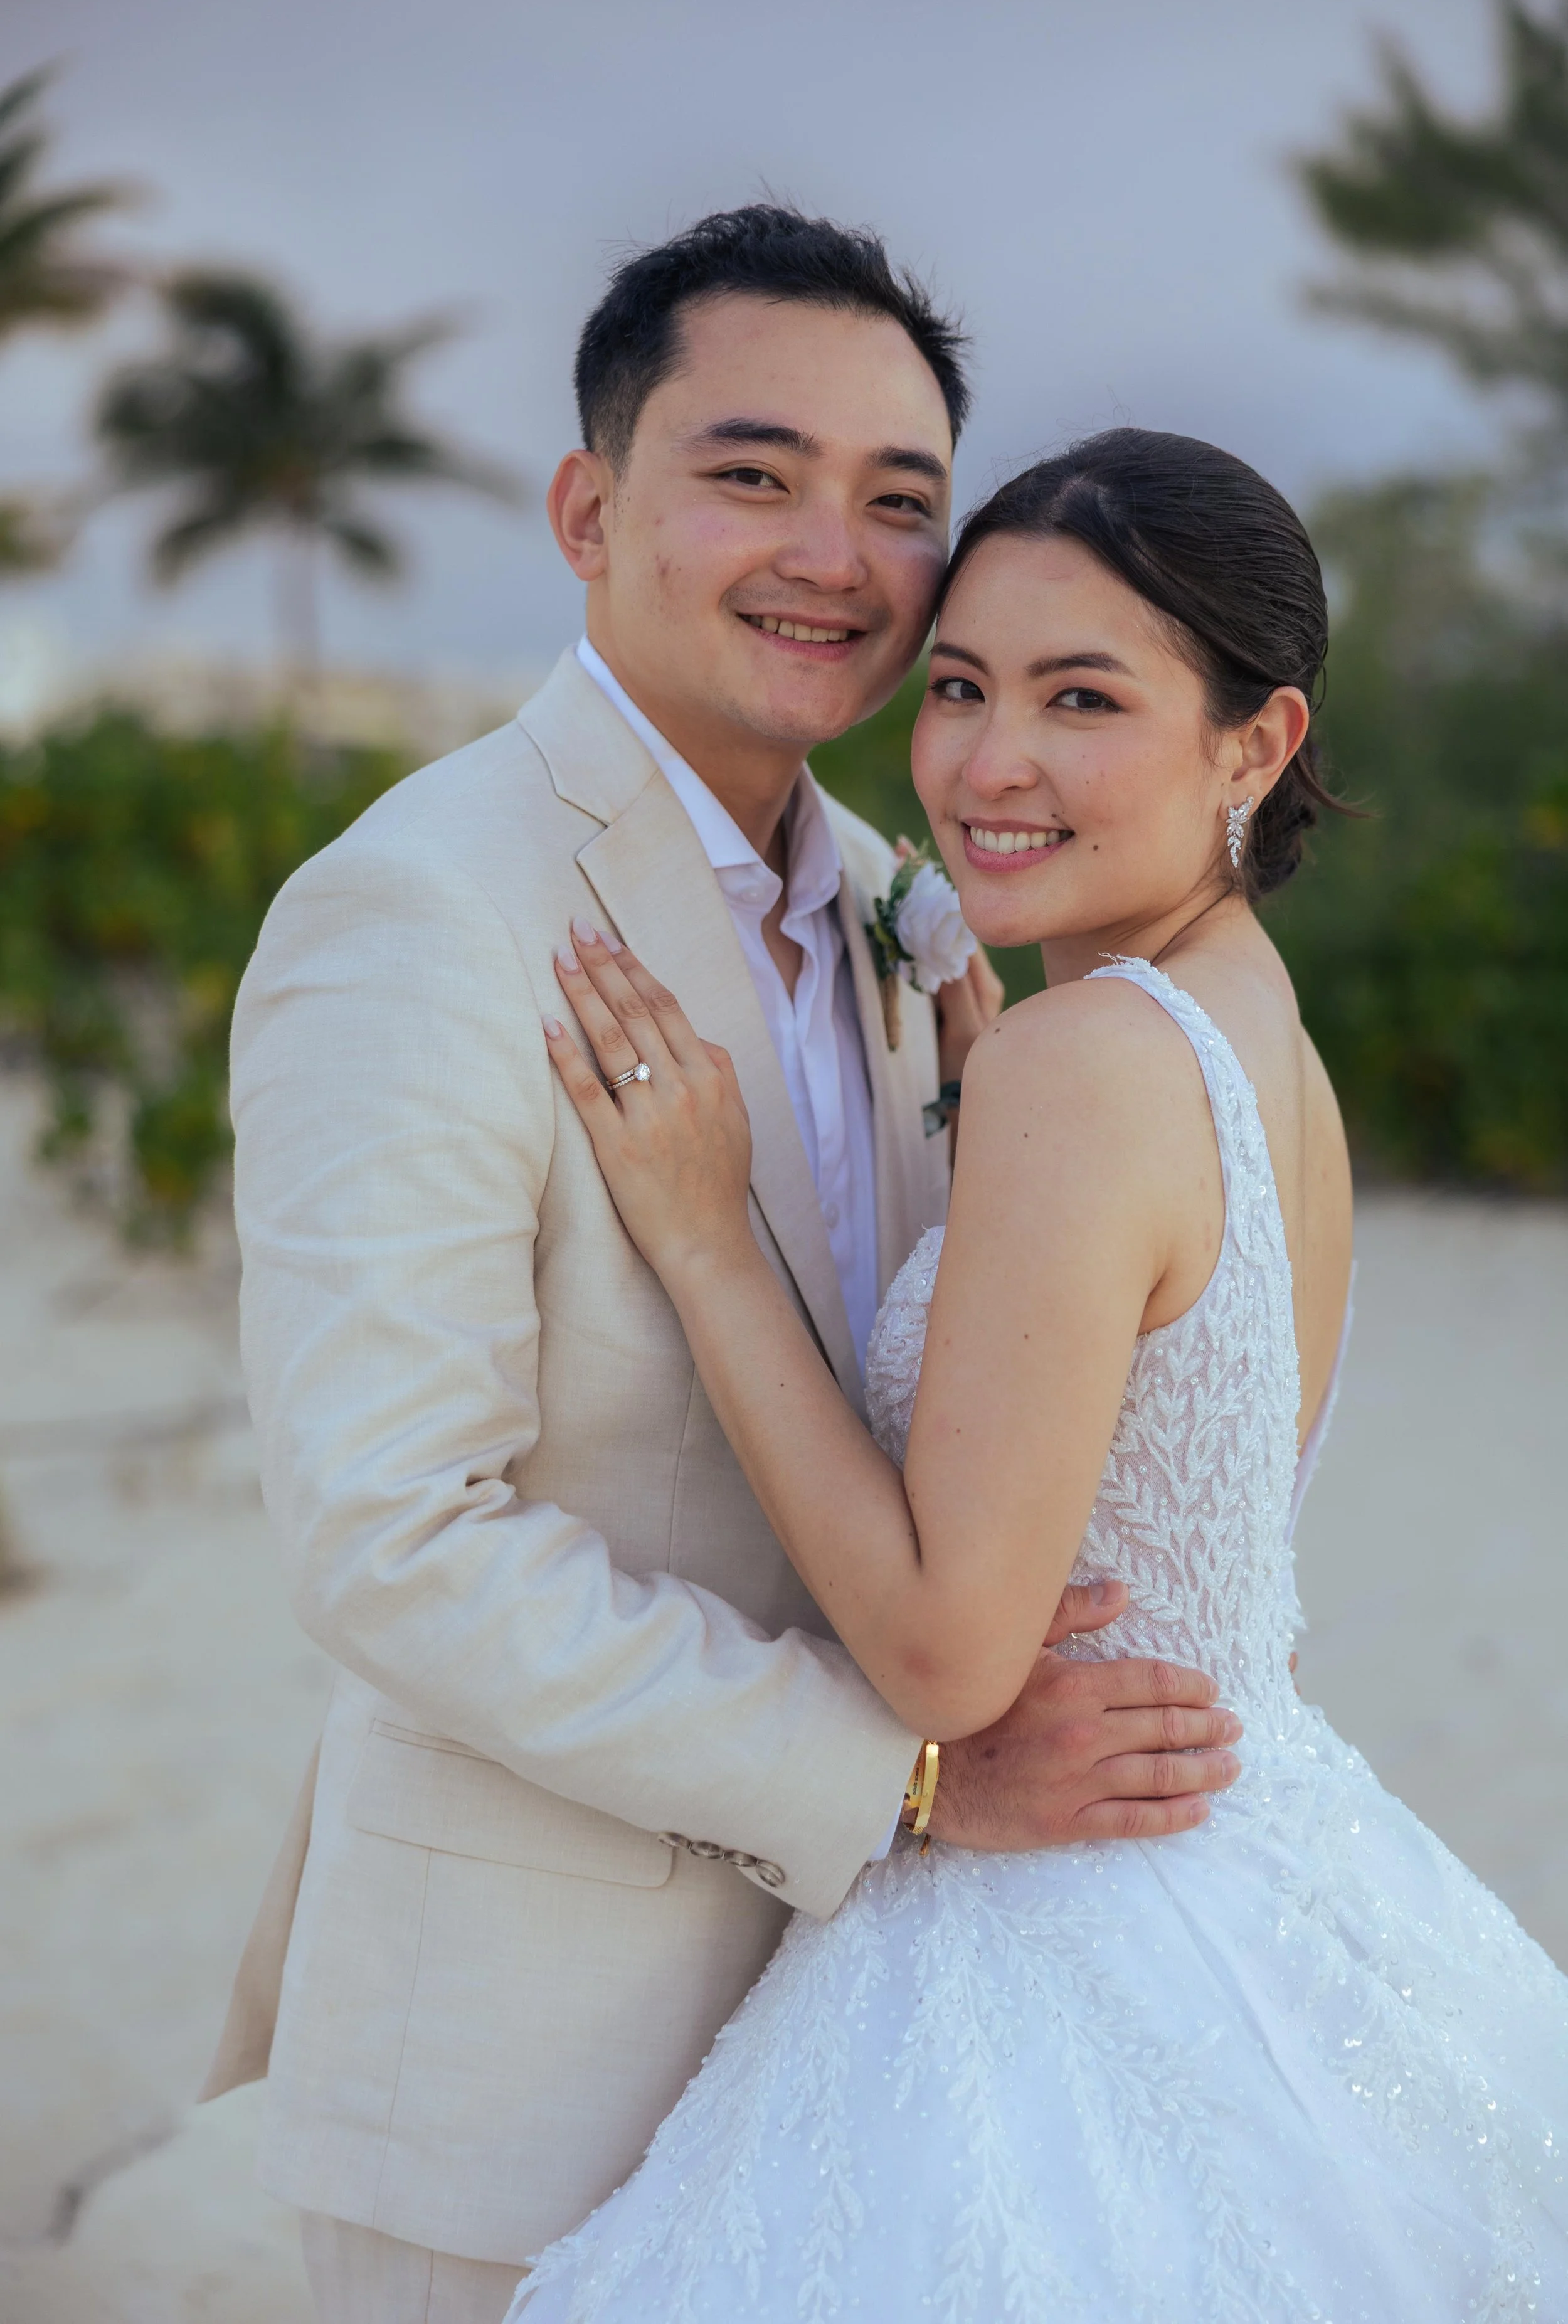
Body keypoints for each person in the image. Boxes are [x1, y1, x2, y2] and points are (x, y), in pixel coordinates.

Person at [204, 213, 1243, 2324]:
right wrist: (919, 1779)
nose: (833, 557)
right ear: (590, 508)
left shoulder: (909, 903)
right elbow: (395, 1535)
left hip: (861, 2049)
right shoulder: (418, 905)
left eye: (897, 504)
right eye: (752, 475)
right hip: (525, 2050)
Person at [512, 427, 1568, 2322]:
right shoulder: (1264, 1040)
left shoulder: (1082, 1072)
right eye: (961, 688)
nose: (990, 764)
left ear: (1252, 741)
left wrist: (700, 1228)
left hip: (1060, 1913)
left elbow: (944, 1660)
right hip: (1261, 1850)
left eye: (1081, 698)